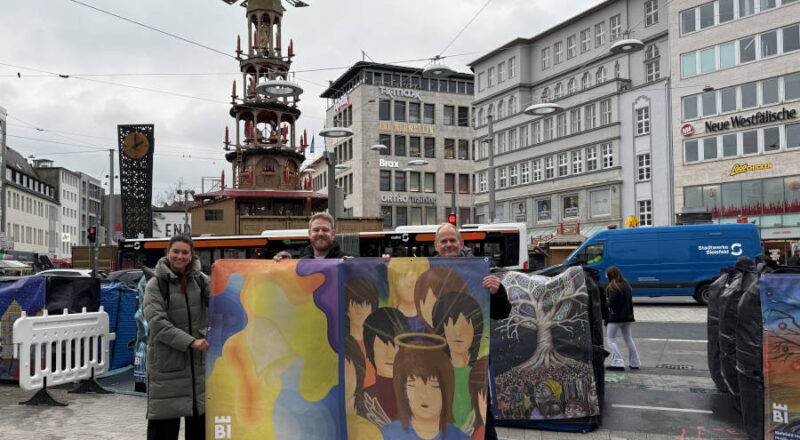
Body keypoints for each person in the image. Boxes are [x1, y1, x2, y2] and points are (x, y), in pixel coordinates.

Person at [433, 223, 511, 440]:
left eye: (452, 240)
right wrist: (385, 266)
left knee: (479, 416)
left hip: (473, 362)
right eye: (444, 241)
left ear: (461, 243)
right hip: (438, 361)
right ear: (436, 246)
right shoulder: (425, 271)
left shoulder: (479, 271)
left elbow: (502, 313)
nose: (448, 245)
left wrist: (497, 292)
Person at [143, 234, 209, 440]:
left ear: (191, 255)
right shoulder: (155, 284)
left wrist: (278, 264)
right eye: (176, 251)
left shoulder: (201, 281)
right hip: (167, 368)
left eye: (184, 252)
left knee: (199, 431)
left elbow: (228, 298)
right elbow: (157, 323)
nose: (180, 256)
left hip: (197, 370)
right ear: (168, 252)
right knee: (163, 431)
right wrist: (191, 342)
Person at [380, 340, 470, 440]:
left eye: (434, 386)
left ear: (447, 391)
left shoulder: (460, 438)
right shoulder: (386, 436)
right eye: (413, 385)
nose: (424, 395)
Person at [363, 307, 412, 422]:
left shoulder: (418, 397)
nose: (390, 355)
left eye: (396, 346)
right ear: (370, 349)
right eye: (383, 345)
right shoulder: (363, 398)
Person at [604, 266, 641, 371]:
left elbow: (610, 303)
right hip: (627, 316)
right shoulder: (626, 284)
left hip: (615, 317)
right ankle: (635, 362)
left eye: (607, 275)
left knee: (611, 339)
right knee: (628, 339)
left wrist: (604, 304)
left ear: (610, 276)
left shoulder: (613, 287)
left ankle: (618, 362)